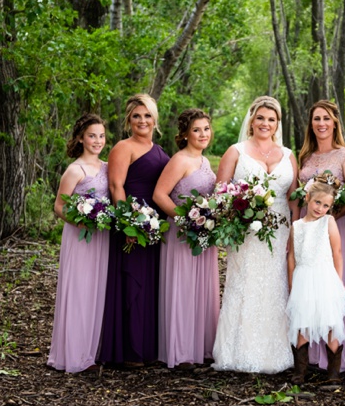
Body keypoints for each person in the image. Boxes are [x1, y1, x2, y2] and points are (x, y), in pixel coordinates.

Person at [211, 96, 299, 374]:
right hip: (246, 232)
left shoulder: (287, 154)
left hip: (281, 228)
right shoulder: (236, 151)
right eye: (260, 117)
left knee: (276, 286)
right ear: (251, 120)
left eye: (271, 119)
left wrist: (294, 234)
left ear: (277, 124)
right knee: (246, 284)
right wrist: (242, 210)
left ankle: (276, 352)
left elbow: (293, 197)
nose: (265, 123)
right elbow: (220, 192)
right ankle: (238, 352)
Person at [98, 94, 170, 368]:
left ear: (155, 119)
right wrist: (127, 223)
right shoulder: (123, 147)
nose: (142, 120)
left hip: (154, 226)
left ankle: (147, 347)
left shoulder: (159, 149)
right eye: (136, 115)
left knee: (149, 284)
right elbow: (116, 187)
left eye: (147, 115)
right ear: (129, 120)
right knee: (132, 285)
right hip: (131, 225)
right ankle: (129, 350)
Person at [297, 100, 345, 373]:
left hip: (334, 230)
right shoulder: (306, 158)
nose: (321, 123)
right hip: (306, 231)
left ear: (335, 122)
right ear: (311, 124)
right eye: (316, 119)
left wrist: (329, 219)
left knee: (332, 288)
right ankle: (309, 357)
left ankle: (333, 358)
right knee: (307, 289)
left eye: (326, 118)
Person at [153, 109, 219, 370]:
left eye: (206, 128)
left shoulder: (205, 161)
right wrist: (183, 220)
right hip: (181, 234)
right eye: (197, 130)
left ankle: (201, 347)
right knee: (183, 288)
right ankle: (180, 351)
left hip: (203, 234)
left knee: (202, 289)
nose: (203, 134)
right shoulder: (179, 160)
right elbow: (160, 195)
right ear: (184, 134)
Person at [47, 113, 110, 373]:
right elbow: (59, 206)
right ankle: (75, 354)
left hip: (102, 238)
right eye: (92, 136)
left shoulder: (107, 167)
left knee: (98, 291)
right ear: (82, 138)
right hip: (80, 237)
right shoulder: (75, 170)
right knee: (79, 291)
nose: (97, 141)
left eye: (101, 136)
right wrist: (80, 221)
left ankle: (93, 351)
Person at [286, 174, 345, 384]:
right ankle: (300, 372)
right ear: (307, 198)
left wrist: (338, 281)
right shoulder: (297, 226)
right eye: (317, 202)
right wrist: (292, 282)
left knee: (330, 322)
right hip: (303, 278)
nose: (320, 208)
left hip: (324, 277)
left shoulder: (328, 222)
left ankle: (333, 373)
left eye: (325, 205)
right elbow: (292, 256)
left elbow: (337, 252)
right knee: (302, 324)